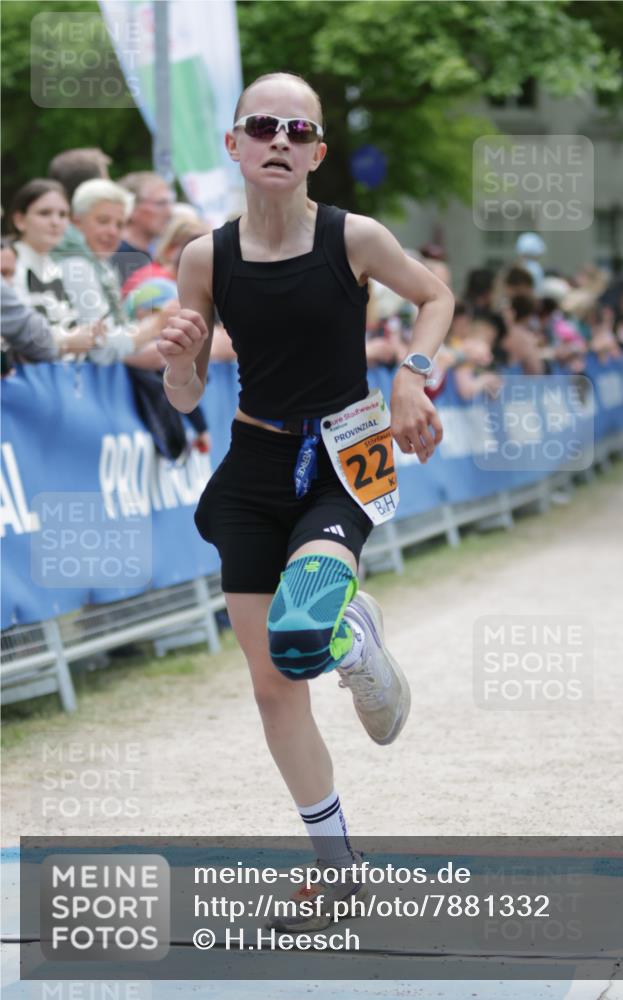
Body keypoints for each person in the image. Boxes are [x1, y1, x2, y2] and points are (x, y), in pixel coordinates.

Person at [157, 72, 453, 932]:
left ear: (318, 151)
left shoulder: (354, 237)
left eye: (298, 129)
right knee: (275, 684)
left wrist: (413, 376)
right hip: (254, 460)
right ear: (235, 145)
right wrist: (179, 356)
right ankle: (338, 870)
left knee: (301, 627)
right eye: (262, 126)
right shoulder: (204, 257)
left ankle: (352, 634)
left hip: (343, 451)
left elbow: (435, 296)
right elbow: (182, 397)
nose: (279, 139)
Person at [56, 179, 177, 366]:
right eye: (103, 221)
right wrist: (156, 323)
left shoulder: (101, 266)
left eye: (120, 225)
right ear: (77, 223)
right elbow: (103, 349)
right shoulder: (76, 265)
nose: (112, 231)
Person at [9, 179, 107, 362]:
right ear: (20, 220)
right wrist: (67, 341)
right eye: (44, 213)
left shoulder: (60, 270)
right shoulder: (9, 266)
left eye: (63, 215)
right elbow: (15, 330)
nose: (55, 222)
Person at [111, 171, 174, 284]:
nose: (169, 212)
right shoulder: (117, 254)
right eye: (160, 203)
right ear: (131, 208)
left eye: (170, 203)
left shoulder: (153, 254)